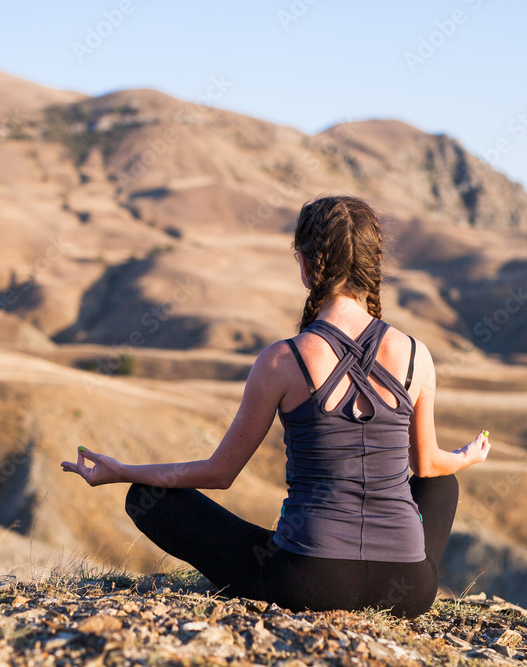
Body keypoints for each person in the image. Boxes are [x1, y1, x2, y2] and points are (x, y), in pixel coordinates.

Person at [61, 194, 491, 618]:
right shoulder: (417, 355)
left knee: (147, 499)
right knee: (442, 483)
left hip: (309, 580)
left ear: (306, 266)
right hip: (407, 591)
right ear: (374, 265)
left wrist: (122, 473)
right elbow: (429, 466)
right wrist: (465, 457)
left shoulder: (282, 360)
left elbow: (219, 473)